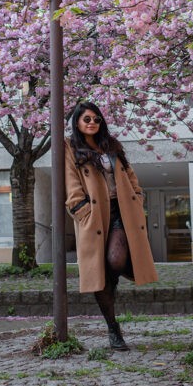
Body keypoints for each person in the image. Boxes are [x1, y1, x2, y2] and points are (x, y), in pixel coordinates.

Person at [65, 101, 157, 351]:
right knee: (99, 274)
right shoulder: (70, 147)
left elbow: (129, 175)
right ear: (77, 122)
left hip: (121, 210)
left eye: (96, 119)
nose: (93, 123)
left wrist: (137, 197)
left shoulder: (112, 146)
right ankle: (113, 328)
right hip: (95, 214)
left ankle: (118, 277)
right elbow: (71, 182)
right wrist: (81, 210)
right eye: (87, 119)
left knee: (114, 261)